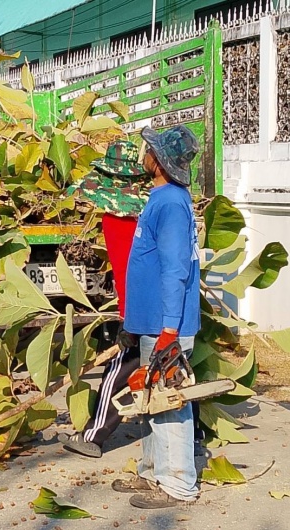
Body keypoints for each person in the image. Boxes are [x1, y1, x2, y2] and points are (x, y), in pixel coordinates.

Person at [111, 124, 202, 509]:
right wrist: (134, 324)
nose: (144, 154)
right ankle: (152, 473)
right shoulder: (161, 198)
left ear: (160, 162)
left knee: (169, 401)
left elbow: (175, 269)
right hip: (152, 323)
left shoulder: (170, 204)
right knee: (150, 399)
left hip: (167, 326)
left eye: (150, 150)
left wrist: (168, 329)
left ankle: (179, 485)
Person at [58, 140, 150, 458]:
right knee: (172, 370)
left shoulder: (113, 222)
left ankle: (93, 437)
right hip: (161, 303)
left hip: (139, 308)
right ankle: (193, 434)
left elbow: (129, 274)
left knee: (117, 372)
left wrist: (130, 318)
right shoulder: (150, 215)